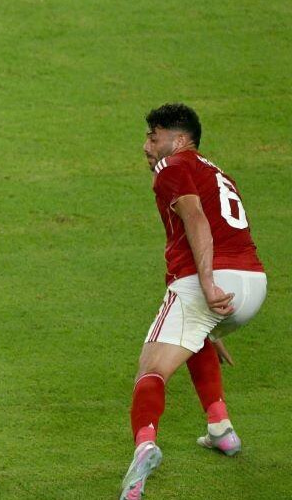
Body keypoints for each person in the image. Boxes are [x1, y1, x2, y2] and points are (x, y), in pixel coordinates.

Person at [119, 103, 266, 500]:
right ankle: (221, 429)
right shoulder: (216, 172)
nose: (146, 146)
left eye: (154, 137)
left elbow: (196, 218)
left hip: (213, 283)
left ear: (180, 140)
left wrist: (207, 284)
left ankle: (144, 448)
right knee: (194, 335)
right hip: (253, 284)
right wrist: (212, 322)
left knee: (151, 369)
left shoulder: (172, 166)